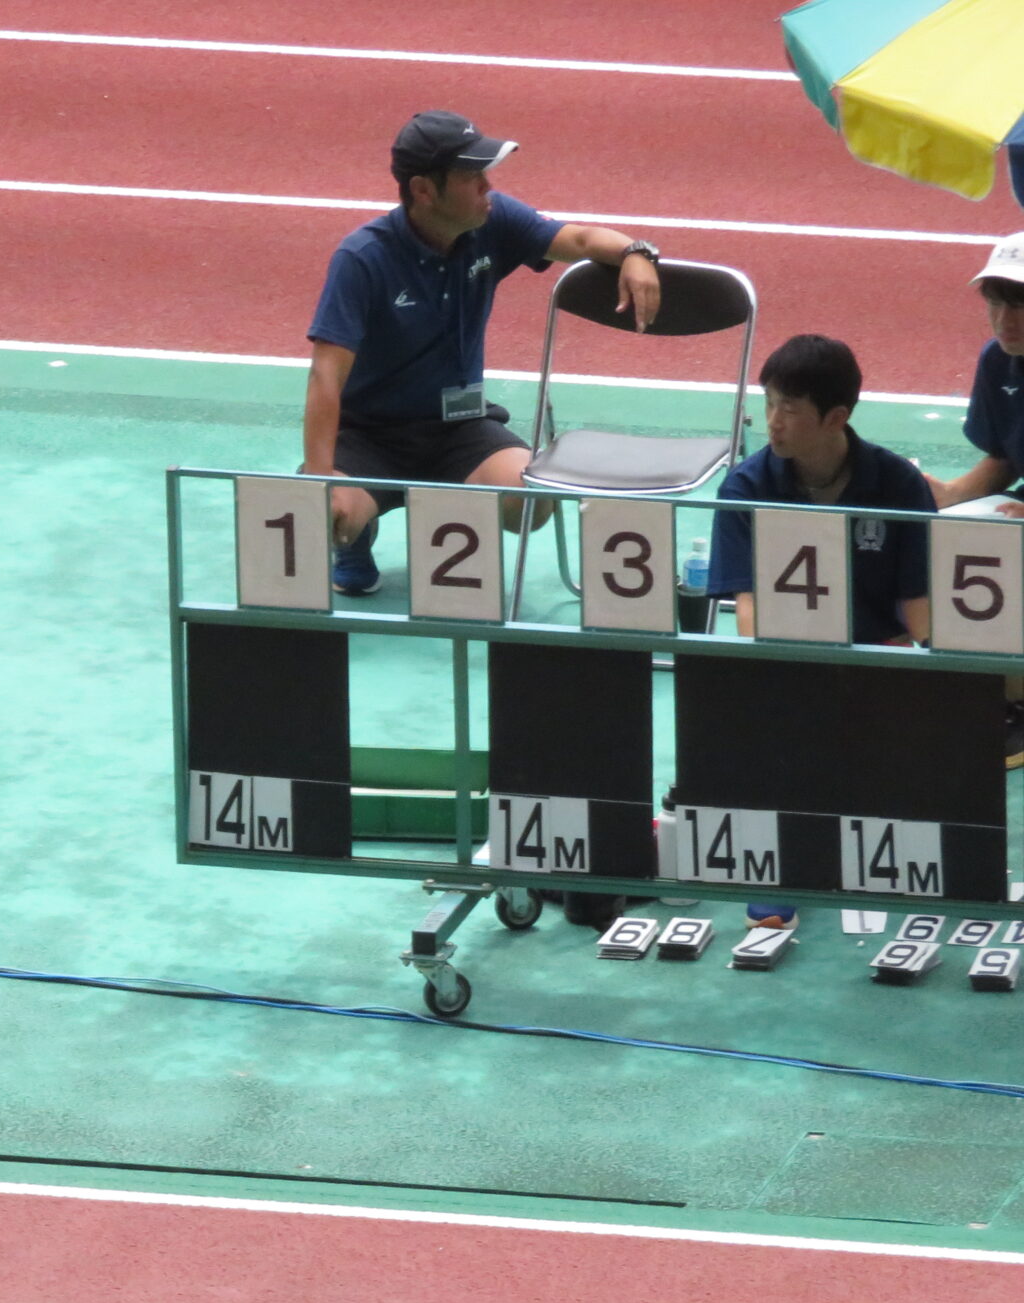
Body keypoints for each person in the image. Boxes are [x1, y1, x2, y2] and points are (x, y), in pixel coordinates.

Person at [305, 110, 665, 595]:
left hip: (460, 428)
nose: (487, 186)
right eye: (471, 176)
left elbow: (579, 239)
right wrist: (320, 481)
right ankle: (357, 534)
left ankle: (446, 507)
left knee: (532, 501)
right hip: (371, 437)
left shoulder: (492, 221)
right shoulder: (362, 259)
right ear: (423, 190)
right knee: (328, 517)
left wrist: (634, 252)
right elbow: (325, 378)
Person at [705, 334, 933, 928]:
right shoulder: (746, 487)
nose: (773, 422)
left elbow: (919, 608)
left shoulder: (898, 486)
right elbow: (750, 608)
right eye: (769, 403)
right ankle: (782, 863)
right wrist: (775, 670)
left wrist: (941, 677)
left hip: (878, 656)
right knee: (771, 722)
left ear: (836, 417)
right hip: (793, 657)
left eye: (789, 408)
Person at [926, 233, 1024, 763]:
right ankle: (982, 684)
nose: (1005, 319)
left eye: (1020, 305)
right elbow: (1005, 457)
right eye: (996, 302)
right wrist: (949, 495)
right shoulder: (998, 361)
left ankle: (1017, 702)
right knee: (951, 536)